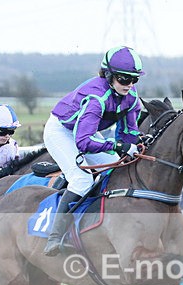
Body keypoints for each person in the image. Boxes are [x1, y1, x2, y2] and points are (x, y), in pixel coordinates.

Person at [42, 45, 145, 256]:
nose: (129, 84)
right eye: (124, 79)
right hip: (61, 131)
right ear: (108, 75)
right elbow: (84, 142)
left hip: (85, 131)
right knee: (82, 180)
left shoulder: (131, 97)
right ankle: (55, 236)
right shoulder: (96, 98)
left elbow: (127, 133)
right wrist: (116, 146)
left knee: (116, 168)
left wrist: (134, 144)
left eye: (134, 79)